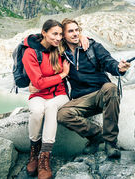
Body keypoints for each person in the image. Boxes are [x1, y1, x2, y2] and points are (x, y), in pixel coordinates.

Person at [22, 19, 88, 179]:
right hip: (38, 94)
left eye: (60, 34)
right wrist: (62, 75)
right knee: (37, 112)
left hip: (59, 95)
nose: (58, 38)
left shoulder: (60, 48)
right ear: (44, 33)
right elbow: (37, 83)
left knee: (51, 107)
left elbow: (73, 35)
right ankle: (34, 152)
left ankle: (45, 157)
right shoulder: (30, 53)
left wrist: (84, 36)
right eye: (54, 34)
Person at [56, 18, 131, 158]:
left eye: (77, 30)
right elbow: (41, 38)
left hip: (101, 93)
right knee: (62, 115)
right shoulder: (60, 53)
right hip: (81, 99)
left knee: (111, 88)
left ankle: (111, 143)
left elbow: (107, 61)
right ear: (63, 35)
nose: (75, 34)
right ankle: (97, 135)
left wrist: (118, 68)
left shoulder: (93, 46)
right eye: (70, 31)